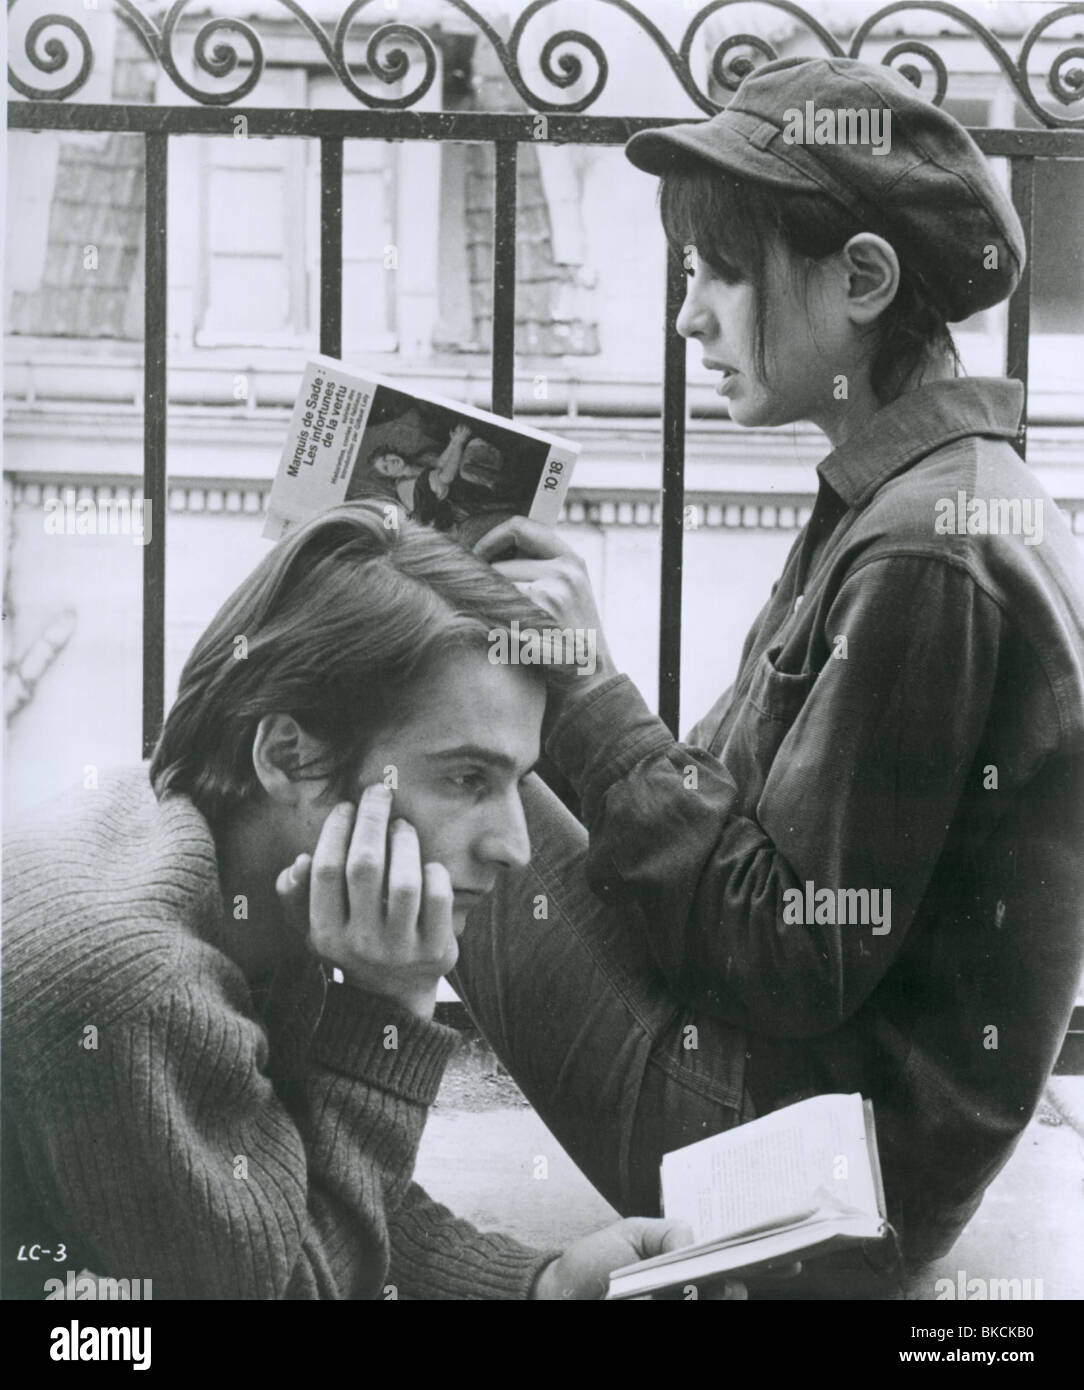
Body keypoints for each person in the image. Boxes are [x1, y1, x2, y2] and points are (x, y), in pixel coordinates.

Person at [448, 56, 1084, 1295]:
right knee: (457, 729)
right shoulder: (914, 499)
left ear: (860, 280)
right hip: (816, 1120)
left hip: (810, 1178)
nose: (688, 315)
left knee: (412, 756)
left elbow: (790, 953)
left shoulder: (922, 548)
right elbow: (750, 855)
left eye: (718, 271)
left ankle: (258, 1151)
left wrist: (581, 687)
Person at [1, 503, 722, 1301]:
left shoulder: (203, 840)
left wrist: (543, 1284)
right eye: (465, 779)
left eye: (518, 782)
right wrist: (392, 1009)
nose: (516, 846)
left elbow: (289, 1187)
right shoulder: (143, 986)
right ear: (289, 756)